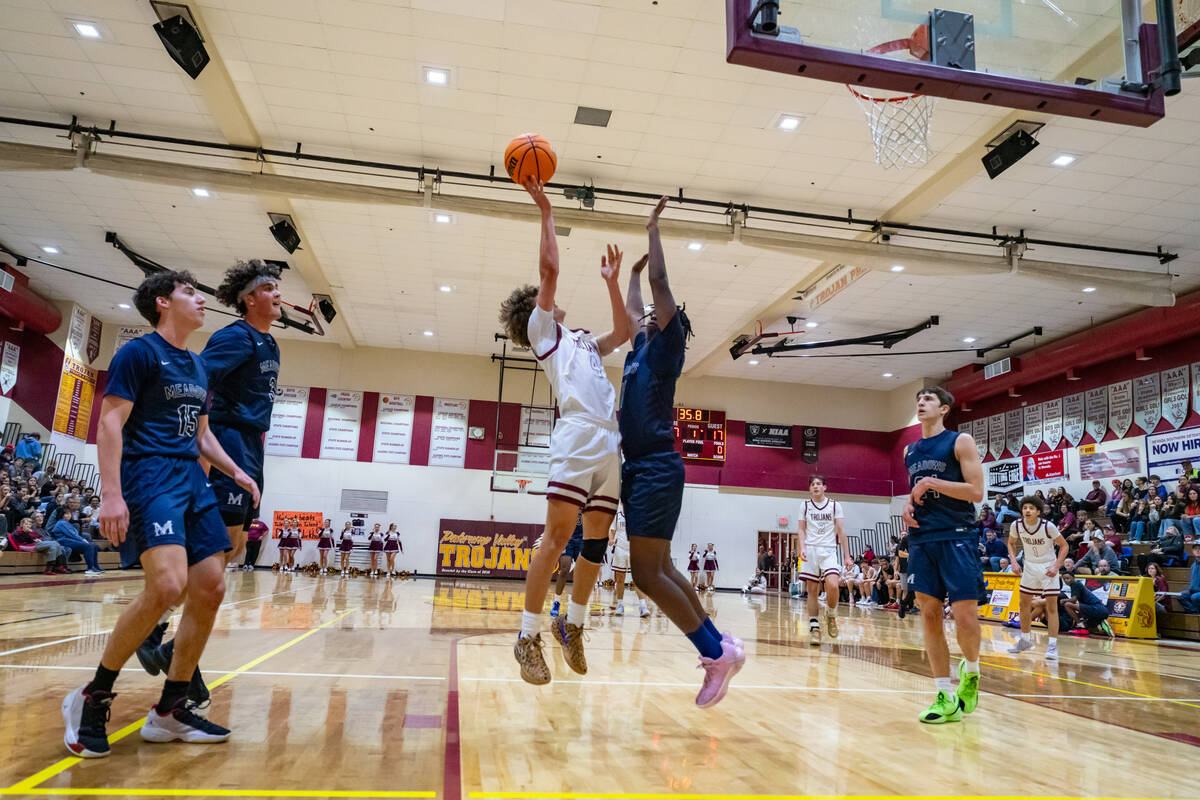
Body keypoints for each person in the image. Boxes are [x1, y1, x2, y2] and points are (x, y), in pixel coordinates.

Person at [63, 271, 259, 757]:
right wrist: (111, 495)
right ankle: (92, 696)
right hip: (149, 475)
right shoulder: (139, 353)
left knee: (211, 587)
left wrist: (236, 471)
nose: (202, 299)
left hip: (192, 479)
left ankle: (170, 710)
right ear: (162, 303)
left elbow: (201, 434)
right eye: (190, 292)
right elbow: (110, 422)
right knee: (168, 586)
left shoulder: (198, 365)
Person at [499, 178, 628, 686]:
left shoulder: (582, 342)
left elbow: (623, 333)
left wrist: (612, 283)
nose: (553, 296)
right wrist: (546, 209)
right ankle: (527, 636)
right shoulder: (543, 332)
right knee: (555, 539)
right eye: (544, 298)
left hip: (608, 438)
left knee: (597, 541)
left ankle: (571, 624)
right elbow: (549, 269)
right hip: (576, 435)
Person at [616, 195, 742, 707]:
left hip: (654, 467)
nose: (648, 315)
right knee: (663, 567)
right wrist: (626, 276)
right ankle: (721, 644)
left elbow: (661, 284)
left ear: (670, 327)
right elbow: (633, 311)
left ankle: (714, 653)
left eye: (657, 315)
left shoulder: (667, 349)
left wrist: (652, 230)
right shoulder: (639, 349)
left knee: (647, 575)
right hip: (641, 469)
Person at [902, 385, 985, 725]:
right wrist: (907, 504)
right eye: (918, 399)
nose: (921, 403)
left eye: (928, 399)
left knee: (965, 615)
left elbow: (976, 492)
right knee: (929, 614)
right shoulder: (909, 450)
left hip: (957, 535)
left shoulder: (960, 441)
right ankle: (944, 696)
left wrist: (931, 483)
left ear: (944, 409)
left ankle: (972, 671)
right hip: (922, 538)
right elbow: (916, 490)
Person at [1006, 497, 1067, 660]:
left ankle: (1052, 646)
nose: (1027, 511)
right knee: (1023, 604)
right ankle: (1025, 640)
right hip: (1030, 567)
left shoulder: (1048, 526)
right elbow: (1011, 543)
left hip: (1048, 567)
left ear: (1038, 511)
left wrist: (1057, 565)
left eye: (1031, 508)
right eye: (1025, 507)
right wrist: (1013, 561)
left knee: (1051, 607)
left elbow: (1064, 545)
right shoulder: (1016, 525)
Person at [797, 475, 852, 644]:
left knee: (833, 585)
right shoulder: (805, 505)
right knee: (812, 590)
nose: (816, 486)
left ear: (825, 487)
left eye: (819, 484)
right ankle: (814, 626)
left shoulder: (835, 505)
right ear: (809, 488)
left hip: (829, 550)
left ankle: (831, 614)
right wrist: (802, 547)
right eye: (813, 484)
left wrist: (847, 556)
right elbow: (801, 529)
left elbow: (841, 531)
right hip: (811, 549)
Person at [608, 514, 649, 618]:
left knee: (637, 579)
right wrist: (611, 540)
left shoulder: (638, 513)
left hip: (634, 549)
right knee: (620, 579)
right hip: (620, 549)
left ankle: (643, 606)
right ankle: (619, 605)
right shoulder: (617, 515)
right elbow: (612, 531)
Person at [51, 509, 104, 576]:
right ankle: (90, 569)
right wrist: (82, 539)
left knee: (94, 545)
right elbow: (71, 534)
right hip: (63, 541)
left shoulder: (67, 523)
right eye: (66, 514)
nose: (69, 515)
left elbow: (74, 534)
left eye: (69, 513)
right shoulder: (61, 523)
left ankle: (96, 567)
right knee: (88, 546)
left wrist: (82, 540)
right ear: (62, 515)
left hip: (70, 540)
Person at [551, 513, 584, 618]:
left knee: (581, 572)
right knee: (565, 569)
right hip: (566, 538)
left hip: (582, 539)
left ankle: (577, 604)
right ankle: (556, 602)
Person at [1177, 544, 1200, 613]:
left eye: (1199, 548)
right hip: (1193, 591)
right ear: (1192, 551)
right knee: (1180, 595)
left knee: (1194, 597)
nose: (1198, 550)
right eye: (1195, 549)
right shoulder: (1193, 565)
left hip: (1197, 593)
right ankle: (1195, 612)